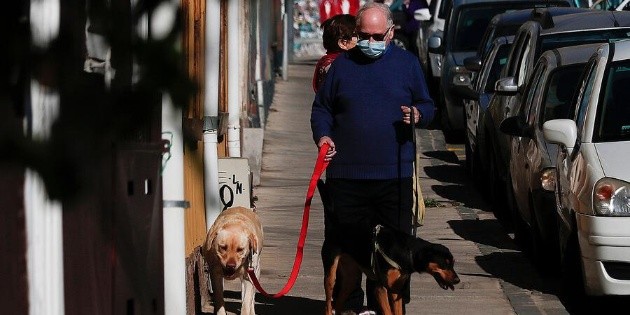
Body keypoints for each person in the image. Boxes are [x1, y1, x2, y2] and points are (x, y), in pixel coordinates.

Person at [310, 2, 435, 314]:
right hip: (346, 178)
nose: (370, 42)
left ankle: (388, 309)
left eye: (378, 36)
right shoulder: (341, 66)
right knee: (347, 251)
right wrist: (323, 135)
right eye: (363, 35)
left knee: (393, 255)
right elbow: (321, 109)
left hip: (394, 178)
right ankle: (348, 308)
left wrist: (418, 114)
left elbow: (428, 104)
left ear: (391, 33)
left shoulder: (407, 64)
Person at [313, 14, 358, 93]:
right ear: (343, 43)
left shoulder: (328, 61)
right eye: (358, 35)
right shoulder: (335, 65)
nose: (365, 40)